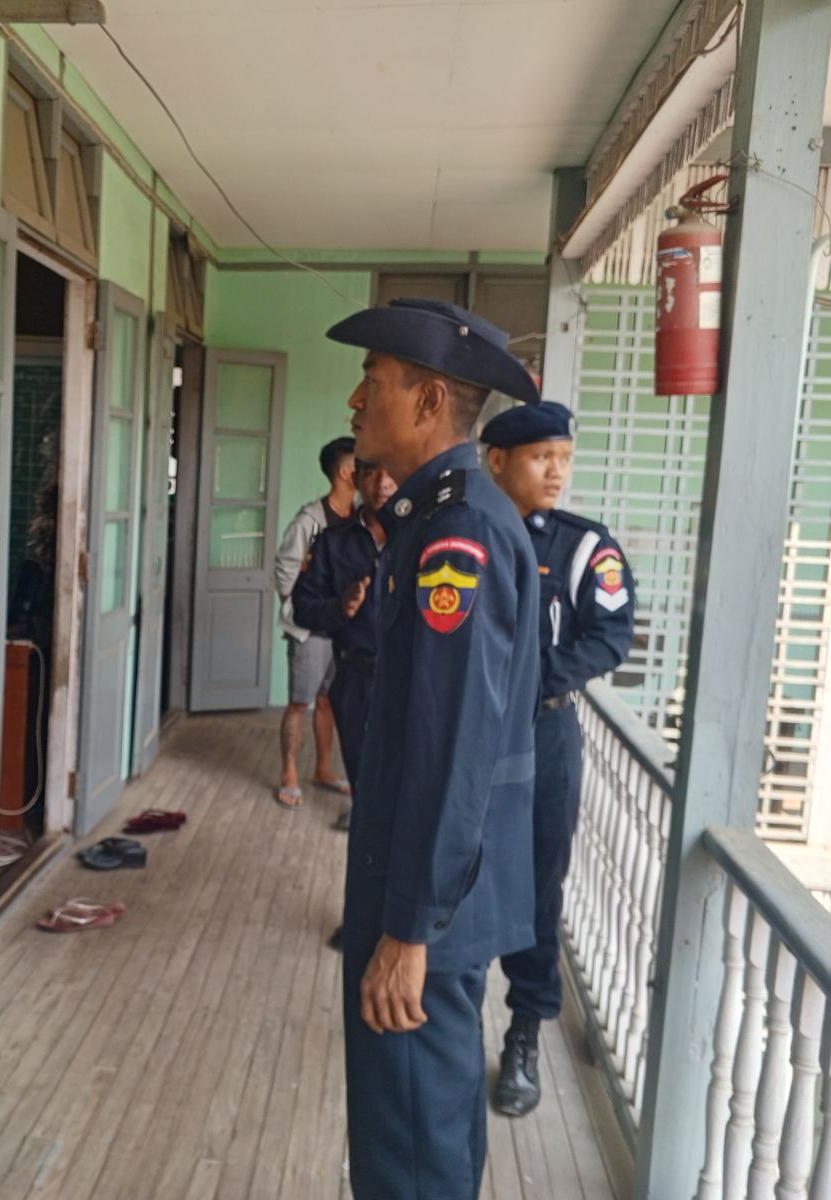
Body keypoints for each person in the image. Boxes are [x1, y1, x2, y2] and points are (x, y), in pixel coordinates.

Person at [326, 298, 542, 1200]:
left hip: (428, 904)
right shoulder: (437, 516)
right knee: (422, 1133)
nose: (354, 400)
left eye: (372, 383)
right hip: (426, 887)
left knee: (412, 1152)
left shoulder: (458, 532)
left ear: (428, 401)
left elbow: (453, 748)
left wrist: (409, 929)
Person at [481, 400, 636, 1118]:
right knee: (456, 867)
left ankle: (524, 1032)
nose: (556, 472)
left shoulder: (582, 546)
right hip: (471, 736)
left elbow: (609, 636)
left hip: (545, 733)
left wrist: (529, 679)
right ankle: (447, 1016)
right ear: (498, 461)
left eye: (564, 459)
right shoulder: (467, 534)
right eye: (542, 457)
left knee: (538, 886)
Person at [292, 460, 396, 951]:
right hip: (356, 680)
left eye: (392, 474)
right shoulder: (333, 543)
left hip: (411, 686)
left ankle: (404, 925)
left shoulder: (423, 539)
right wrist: (341, 607)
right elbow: (302, 606)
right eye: (371, 473)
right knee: (369, 803)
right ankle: (363, 921)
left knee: (408, 804)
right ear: (356, 478)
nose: (382, 484)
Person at [272, 436, 358, 808]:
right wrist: (299, 608)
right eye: (360, 465)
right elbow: (285, 569)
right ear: (345, 472)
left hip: (343, 630)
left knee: (328, 701)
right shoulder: (310, 520)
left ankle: (323, 769)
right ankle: (289, 773)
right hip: (311, 631)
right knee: (299, 702)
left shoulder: (358, 517)